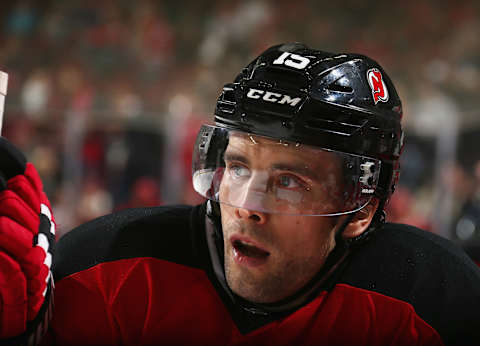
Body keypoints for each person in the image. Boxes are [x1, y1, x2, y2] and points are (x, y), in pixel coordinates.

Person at [1, 43, 479, 346]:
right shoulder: (103, 269)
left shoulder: (436, 302)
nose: (248, 206)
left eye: (291, 182)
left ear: (360, 208)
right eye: (237, 166)